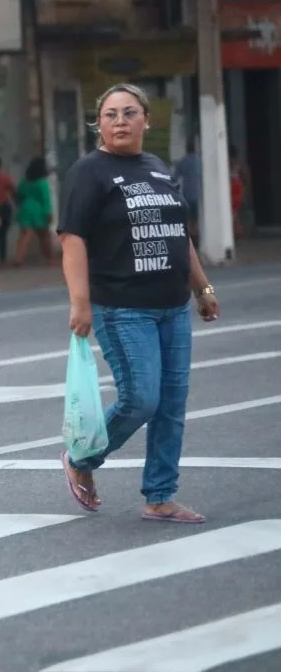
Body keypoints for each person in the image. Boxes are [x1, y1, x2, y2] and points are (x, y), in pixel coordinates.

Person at [57, 82, 220, 524]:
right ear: (99, 124)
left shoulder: (157, 169)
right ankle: (81, 458)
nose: (120, 122)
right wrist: (80, 303)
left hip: (172, 306)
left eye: (129, 113)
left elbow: (177, 234)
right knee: (140, 400)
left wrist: (201, 288)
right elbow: (72, 239)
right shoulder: (89, 172)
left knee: (171, 404)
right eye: (110, 115)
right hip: (122, 307)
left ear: (147, 120)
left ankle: (160, 495)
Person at [11, 156, 55, 266]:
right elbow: (46, 199)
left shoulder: (24, 182)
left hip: (25, 210)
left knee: (24, 236)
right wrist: (49, 213)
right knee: (44, 236)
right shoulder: (42, 182)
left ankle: (19, 259)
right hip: (39, 211)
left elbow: (18, 195)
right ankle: (49, 258)